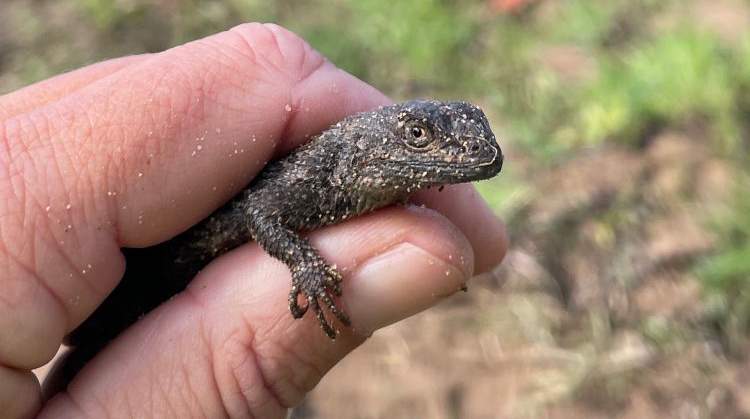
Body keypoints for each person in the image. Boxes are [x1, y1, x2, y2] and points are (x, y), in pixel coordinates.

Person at [0, 22, 507, 419]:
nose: (465, 151)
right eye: (418, 136)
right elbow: (265, 212)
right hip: (133, 289)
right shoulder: (323, 172)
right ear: (373, 146)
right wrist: (308, 267)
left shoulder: (374, 175)